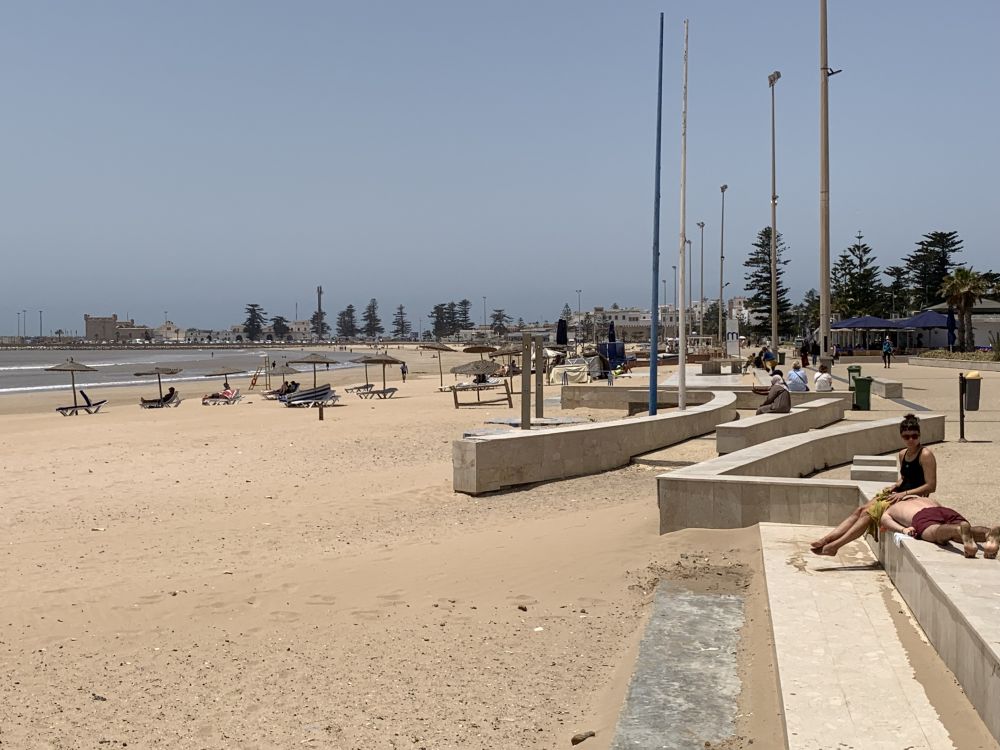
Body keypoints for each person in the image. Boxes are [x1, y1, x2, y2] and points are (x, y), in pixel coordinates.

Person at [887, 413, 936, 500]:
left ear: (919, 435)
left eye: (914, 436)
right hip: (902, 493)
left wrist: (905, 493)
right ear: (901, 437)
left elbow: (931, 486)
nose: (911, 440)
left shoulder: (925, 455)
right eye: (906, 437)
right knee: (866, 506)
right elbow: (904, 478)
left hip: (915, 497)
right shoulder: (902, 454)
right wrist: (895, 486)